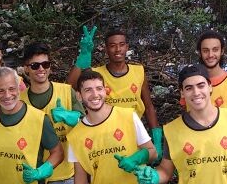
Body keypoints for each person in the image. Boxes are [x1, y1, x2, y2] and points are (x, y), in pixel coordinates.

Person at [66, 27, 161, 159]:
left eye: (121, 45)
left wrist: (156, 136)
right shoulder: (97, 74)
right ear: (106, 49)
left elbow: (148, 105)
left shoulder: (138, 71)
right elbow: (69, 88)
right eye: (112, 46)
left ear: (127, 47)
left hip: (135, 133)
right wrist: (83, 57)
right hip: (105, 134)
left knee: (135, 173)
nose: (118, 49)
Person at [20, 42, 85, 184]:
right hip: (37, 177)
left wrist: (73, 117)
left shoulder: (65, 92)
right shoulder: (20, 101)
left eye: (45, 64)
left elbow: (87, 125)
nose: (41, 69)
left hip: (67, 173)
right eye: (35, 65)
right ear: (26, 69)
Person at [195, 30, 227, 115]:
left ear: (222, 51)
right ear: (200, 53)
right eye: (205, 50)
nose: (210, 55)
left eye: (215, 50)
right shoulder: (191, 82)